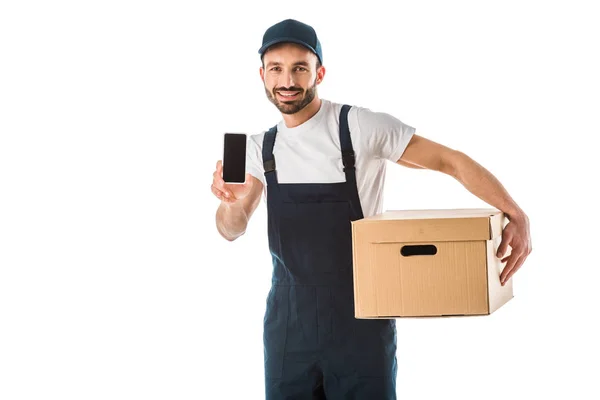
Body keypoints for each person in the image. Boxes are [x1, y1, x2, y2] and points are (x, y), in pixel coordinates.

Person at [211, 18, 532, 400]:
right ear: (262, 75)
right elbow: (232, 229)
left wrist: (516, 214)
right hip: (287, 327)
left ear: (320, 73)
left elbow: (450, 161)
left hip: (361, 320)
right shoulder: (258, 148)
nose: (288, 80)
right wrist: (231, 201)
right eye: (276, 69)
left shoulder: (358, 127)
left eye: (300, 68)